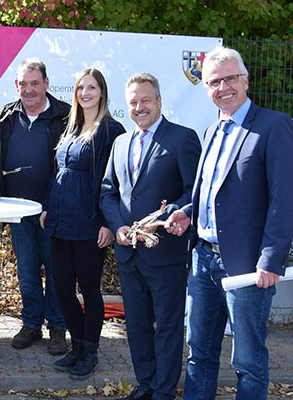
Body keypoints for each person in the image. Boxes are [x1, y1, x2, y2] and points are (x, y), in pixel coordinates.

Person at [166, 47, 293, 400]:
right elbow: (211, 190)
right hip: (203, 260)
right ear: (206, 88)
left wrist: (271, 260)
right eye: (214, 82)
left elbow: (284, 200)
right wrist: (188, 212)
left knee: (248, 361)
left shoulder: (273, 126)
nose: (223, 87)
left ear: (245, 81)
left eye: (230, 79)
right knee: (199, 355)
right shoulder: (211, 130)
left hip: (247, 266)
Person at [99, 72, 200, 400]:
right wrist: (118, 227)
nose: (139, 107)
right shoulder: (121, 142)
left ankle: (163, 391)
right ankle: (146, 385)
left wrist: (167, 213)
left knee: (168, 328)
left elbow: (193, 192)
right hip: (129, 254)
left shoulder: (183, 139)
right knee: (138, 327)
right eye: (133, 102)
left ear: (158, 101)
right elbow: (107, 193)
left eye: (145, 100)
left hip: (165, 253)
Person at [40, 68, 125, 380]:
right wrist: (49, 207)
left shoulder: (110, 131)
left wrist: (107, 223)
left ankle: (90, 350)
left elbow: (113, 180)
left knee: (89, 288)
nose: (85, 93)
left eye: (91, 87)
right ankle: (76, 345)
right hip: (61, 221)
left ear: (101, 92)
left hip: (90, 224)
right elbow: (59, 171)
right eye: (80, 88)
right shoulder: (71, 127)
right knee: (62, 289)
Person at [0, 58, 69, 355]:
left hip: (52, 209)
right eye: (23, 84)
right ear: (16, 85)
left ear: (46, 84)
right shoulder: (7, 115)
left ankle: (57, 326)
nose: (28, 90)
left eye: (34, 83)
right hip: (18, 210)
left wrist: (55, 204)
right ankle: (31, 324)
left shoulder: (65, 115)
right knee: (27, 270)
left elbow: (69, 165)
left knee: (55, 270)